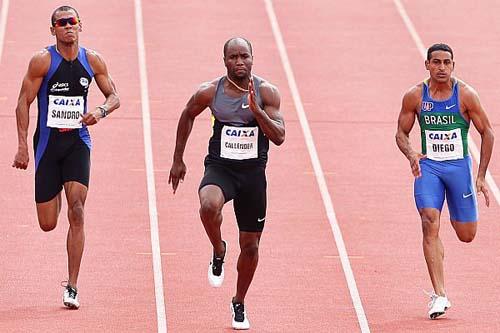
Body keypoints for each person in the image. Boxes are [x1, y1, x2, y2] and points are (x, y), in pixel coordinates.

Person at [169, 37, 285, 330]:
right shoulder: (211, 91)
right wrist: (178, 159)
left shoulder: (267, 92)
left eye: (244, 56)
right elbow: (187, 114)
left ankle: (239, 301)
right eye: (233, 57)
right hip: (221, 167)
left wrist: (257, 112)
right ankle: (218, 248)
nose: (239, 62)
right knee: (208, 206)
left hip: (252, 174)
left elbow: (280, 136)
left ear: (252, 58)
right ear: (224, 62)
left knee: (250, 246)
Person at [12, 6, 120, 309]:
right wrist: (22, 146)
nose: (67, 27)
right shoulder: (42, 61)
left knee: (77, 209)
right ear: (53, 30)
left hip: (77, 143)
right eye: (61, 23)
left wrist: (99, 111)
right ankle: (56, 189)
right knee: (47, 224)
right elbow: (23, 102)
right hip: (47, 146)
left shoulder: (92, 60)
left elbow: (115, 96)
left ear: (80, 25)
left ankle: (72, 285)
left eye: (72, 22)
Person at [396, 43, 494, 319]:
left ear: (453, 65)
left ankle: (451, 215)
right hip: (429, 169)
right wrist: (411, 153)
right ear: (427, 65)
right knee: (429, 220)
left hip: (458, 170)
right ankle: (440, 294)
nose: (441, 67)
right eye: (436, 62)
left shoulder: (466, 96)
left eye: (446, 63)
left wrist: (481, 175)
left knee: (466, 235)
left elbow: (487, 133)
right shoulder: (415, 96)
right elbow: (401, 133)